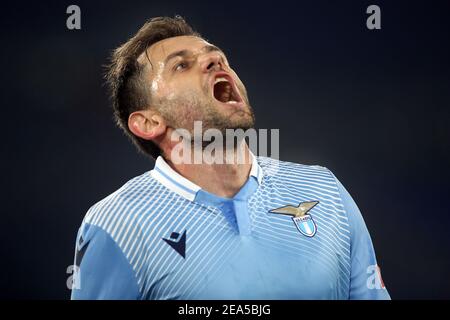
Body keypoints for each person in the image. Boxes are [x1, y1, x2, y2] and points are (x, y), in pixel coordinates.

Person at [70, 16, 390, 300]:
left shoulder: (324, 190)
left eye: (216, 55)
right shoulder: (118, 223)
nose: (215, 60)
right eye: (181, 65)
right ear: (149, 122)